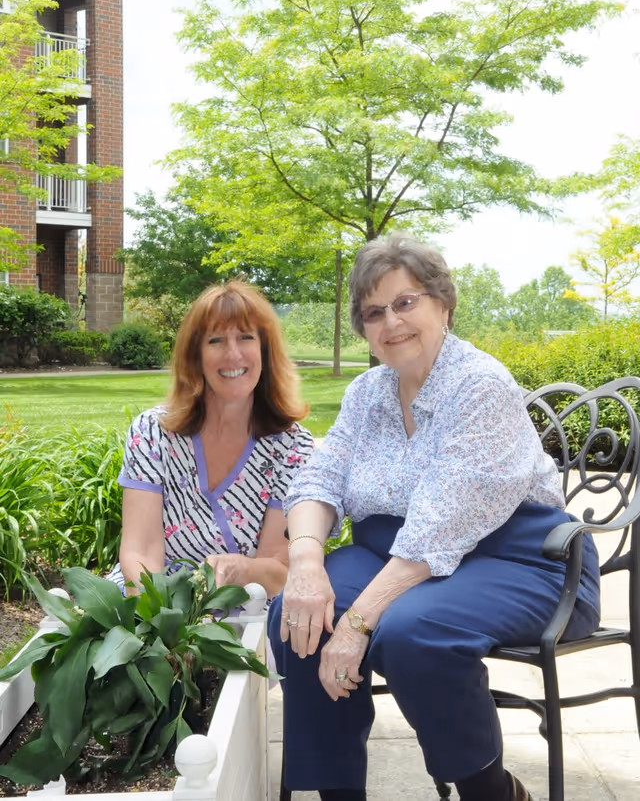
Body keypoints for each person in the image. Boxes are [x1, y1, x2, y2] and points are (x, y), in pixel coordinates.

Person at [268, 235, 601, 801]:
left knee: (411, 633)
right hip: (392, 553)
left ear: (443, 305)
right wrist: (304, 562)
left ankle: (492, 791)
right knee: (298, 612)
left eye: (406, 302)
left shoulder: (480, 385)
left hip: (518, 557)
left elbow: (440, 525)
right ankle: (336, 792)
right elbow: (317, 478)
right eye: (374, 312)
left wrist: (358, 622)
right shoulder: (367, 392)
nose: (391, 323)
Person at [108, 280, 314, 597]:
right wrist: (159, 625)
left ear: (264, 351)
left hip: (247, 604)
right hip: (147, 599)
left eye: (246, 337)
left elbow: (279, 569)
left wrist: (242, 570)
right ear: (196, 356)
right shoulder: (152, 432)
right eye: (215, 340)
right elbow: (140, 554)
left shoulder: (292, 448)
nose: (232, 354)